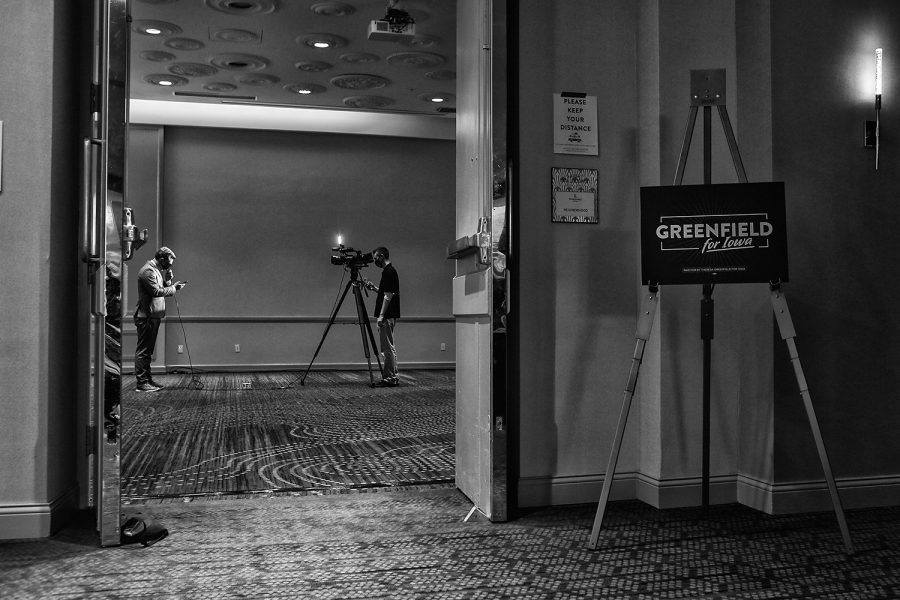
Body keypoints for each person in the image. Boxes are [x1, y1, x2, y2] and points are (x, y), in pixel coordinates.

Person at [134, 247, 186, 392]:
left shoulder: (155, 270)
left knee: (148, 351)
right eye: (169, 261)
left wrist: (168, 281)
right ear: (162, 258)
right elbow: (156, 292)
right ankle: (142, 383)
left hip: (153, 315)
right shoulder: (148, 271)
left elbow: (160, 287)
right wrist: (174, 289)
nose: (170, 264)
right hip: (147, 316)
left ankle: (147, 380)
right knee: (143, 351)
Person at [365, 246, 401, 387]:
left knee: (387, 348)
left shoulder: (389, 272)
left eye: (375, 258)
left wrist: (381, 315)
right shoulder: (389, 271)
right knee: (389, 347)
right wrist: (374, 288)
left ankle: (390, 378)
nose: (374, 261)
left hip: (387, 315)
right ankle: (393, 376)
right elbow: (387, 292)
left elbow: (389, 295)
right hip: (389, 315)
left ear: (381, 256)